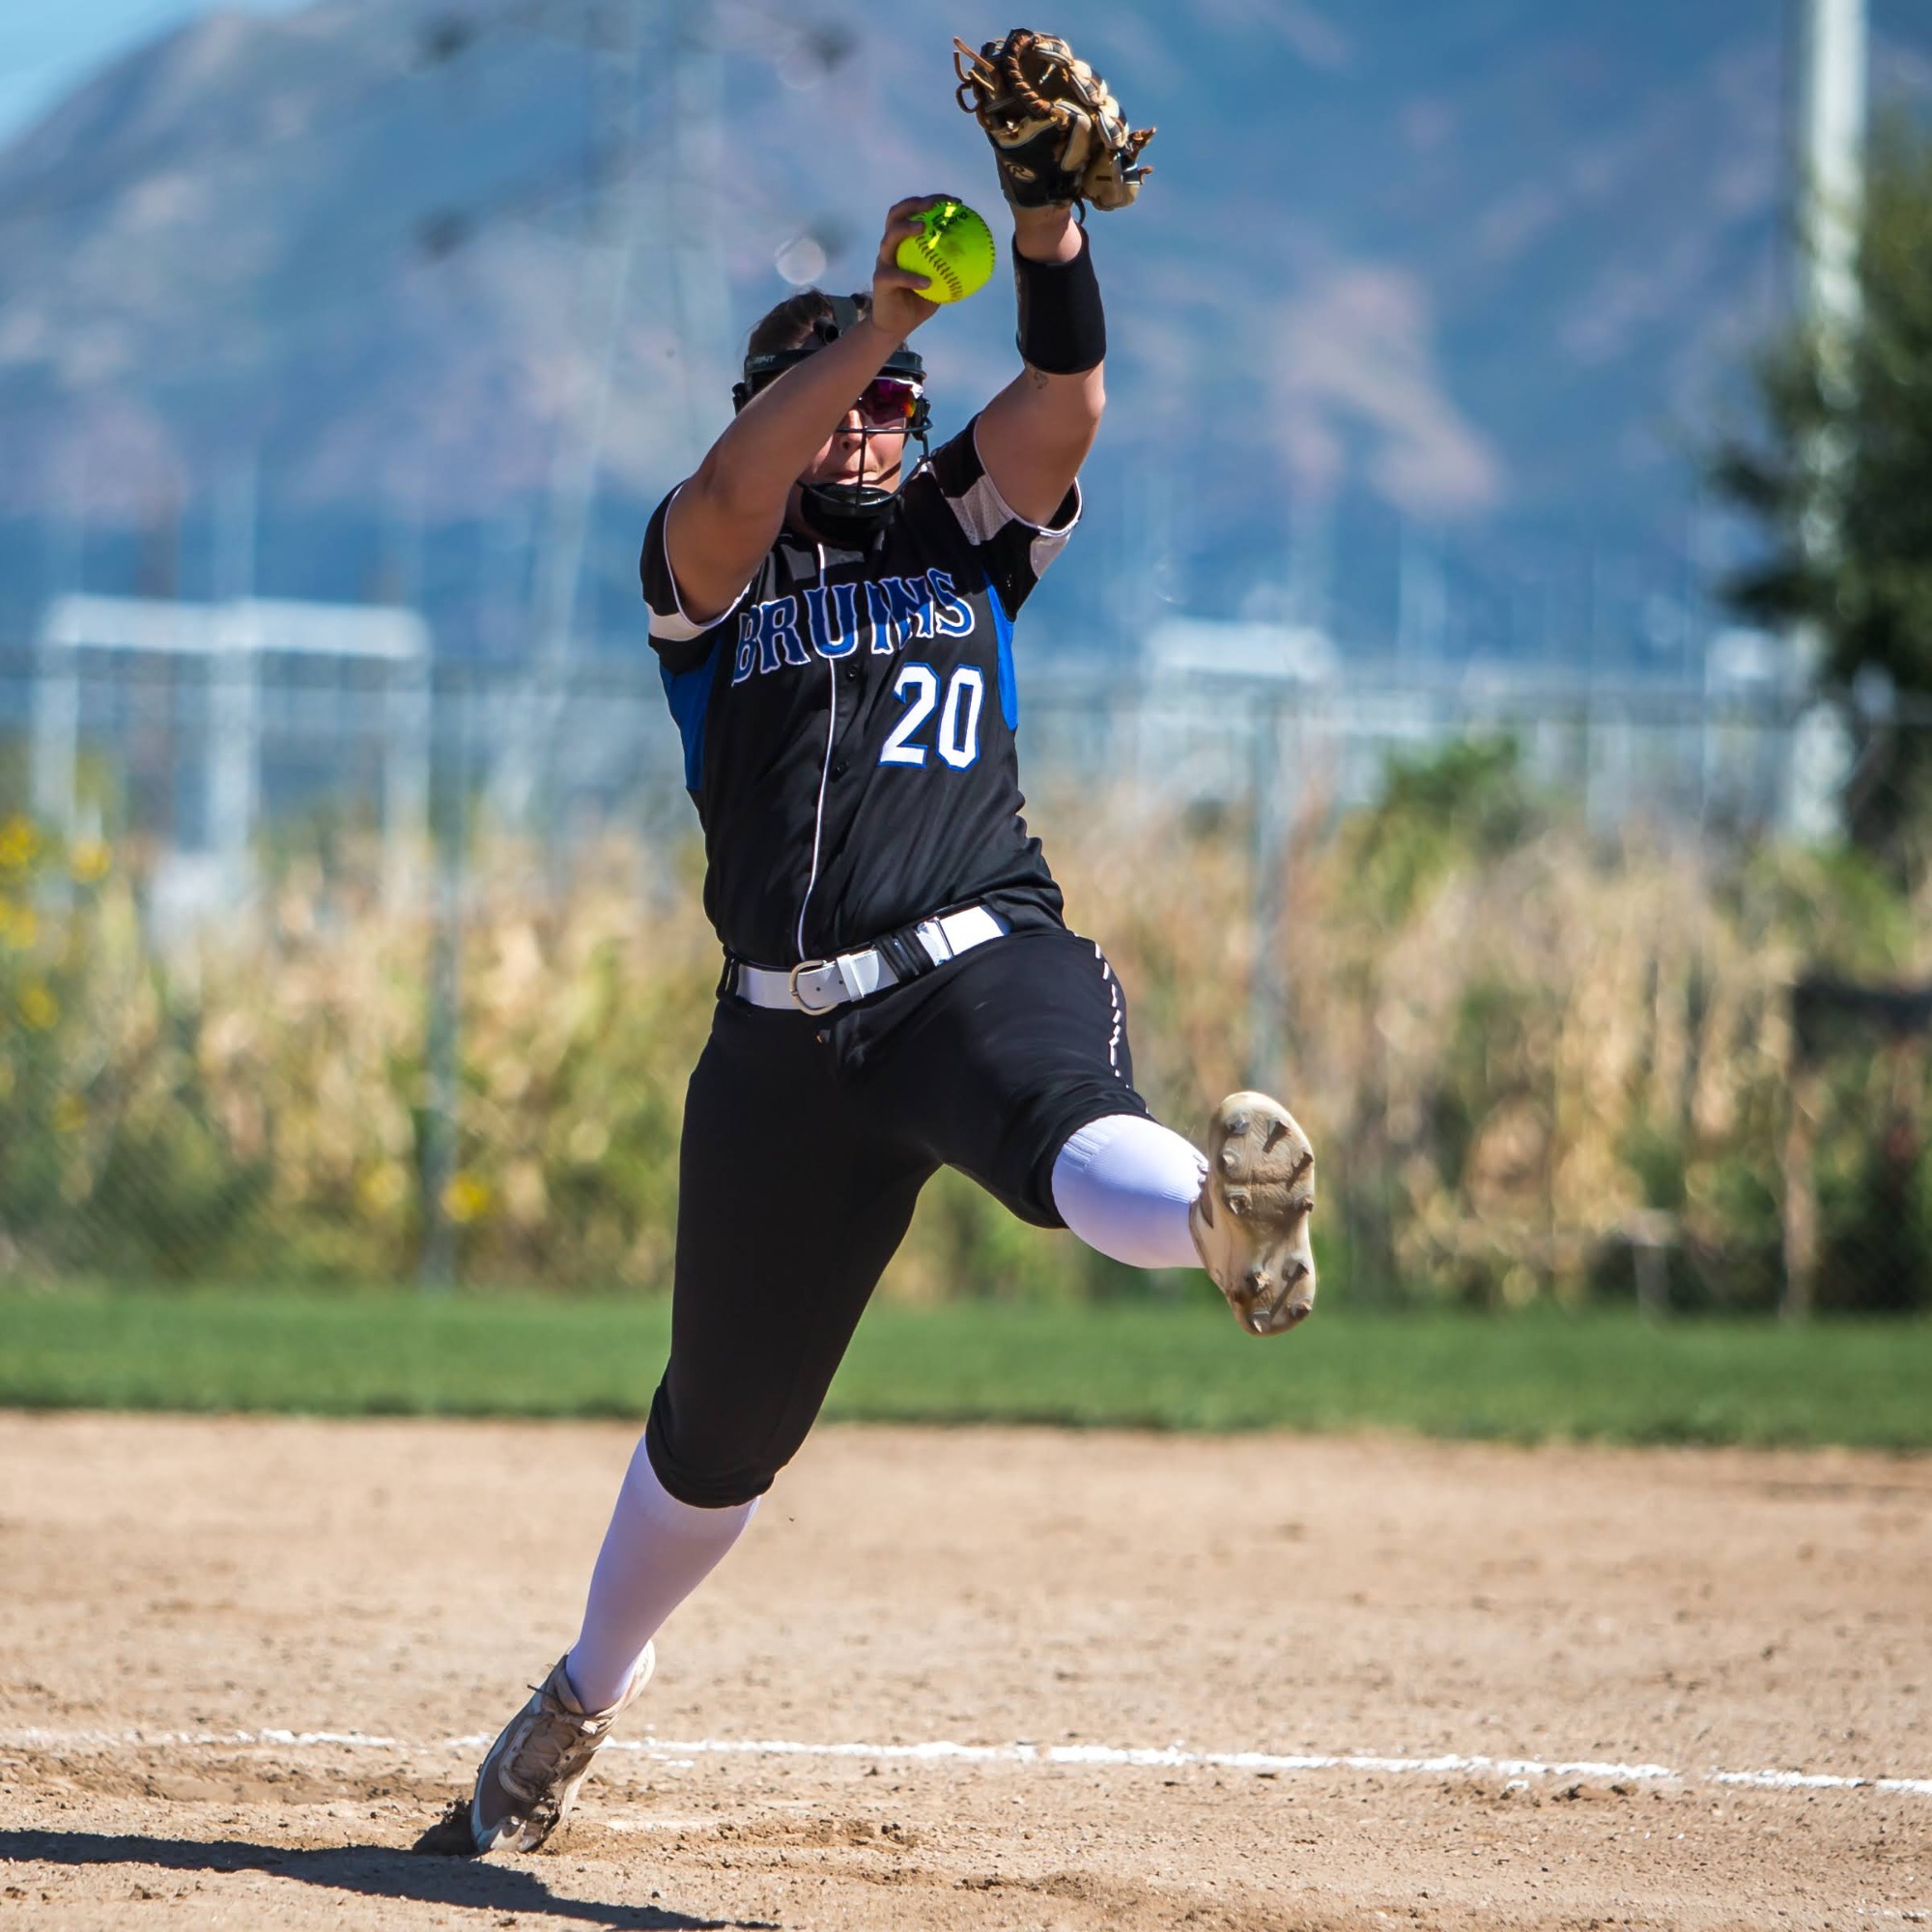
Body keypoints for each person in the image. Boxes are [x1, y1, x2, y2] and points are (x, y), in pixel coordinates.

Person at [458, 175, 1317, 1858]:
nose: (867, 423)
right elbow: (735, 486)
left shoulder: (958, 525)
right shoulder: (710, 571)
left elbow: (1068, 401)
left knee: (1066, 1121)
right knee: (720, 1434)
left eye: (893, 405)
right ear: (776, 402)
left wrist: (1051, 235)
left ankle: (1221, 1225)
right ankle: (582, 1693)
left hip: (973, 957)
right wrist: (877, 327)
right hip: (780, 1045)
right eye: (833, 398)